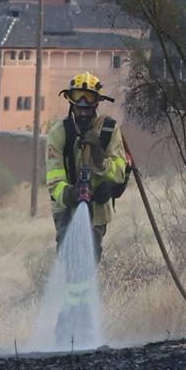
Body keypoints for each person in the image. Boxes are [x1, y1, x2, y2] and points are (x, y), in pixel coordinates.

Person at [44, 72, 130, 261]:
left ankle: (81, 290)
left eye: (88, 98)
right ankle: (72, 290)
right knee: (68, 252)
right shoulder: (59, 134)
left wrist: (100, 159)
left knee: (89, 254)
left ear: (97, 102)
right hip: (66, 208)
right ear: (70, 100)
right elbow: (54, 181)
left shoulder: (108, 130)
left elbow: (120, 174)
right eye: (78, 98)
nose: (83, 106)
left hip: (97, 210)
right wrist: (71, 194)